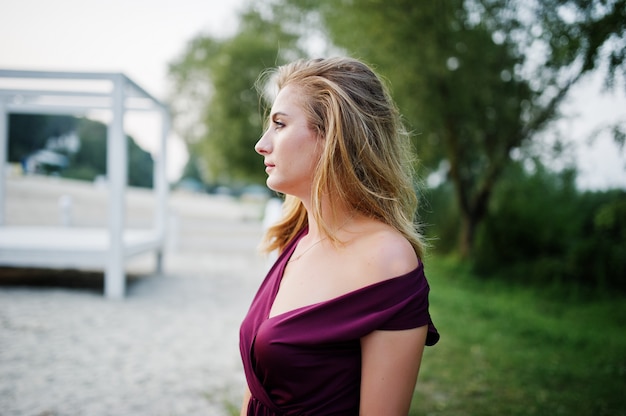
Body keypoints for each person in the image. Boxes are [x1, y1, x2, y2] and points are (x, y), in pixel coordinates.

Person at [239, 57, 439, 416]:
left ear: (333, 135)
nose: (262, 144)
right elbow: (257, 390)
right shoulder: (297, 239)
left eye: (280, 125)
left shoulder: (387, 261)